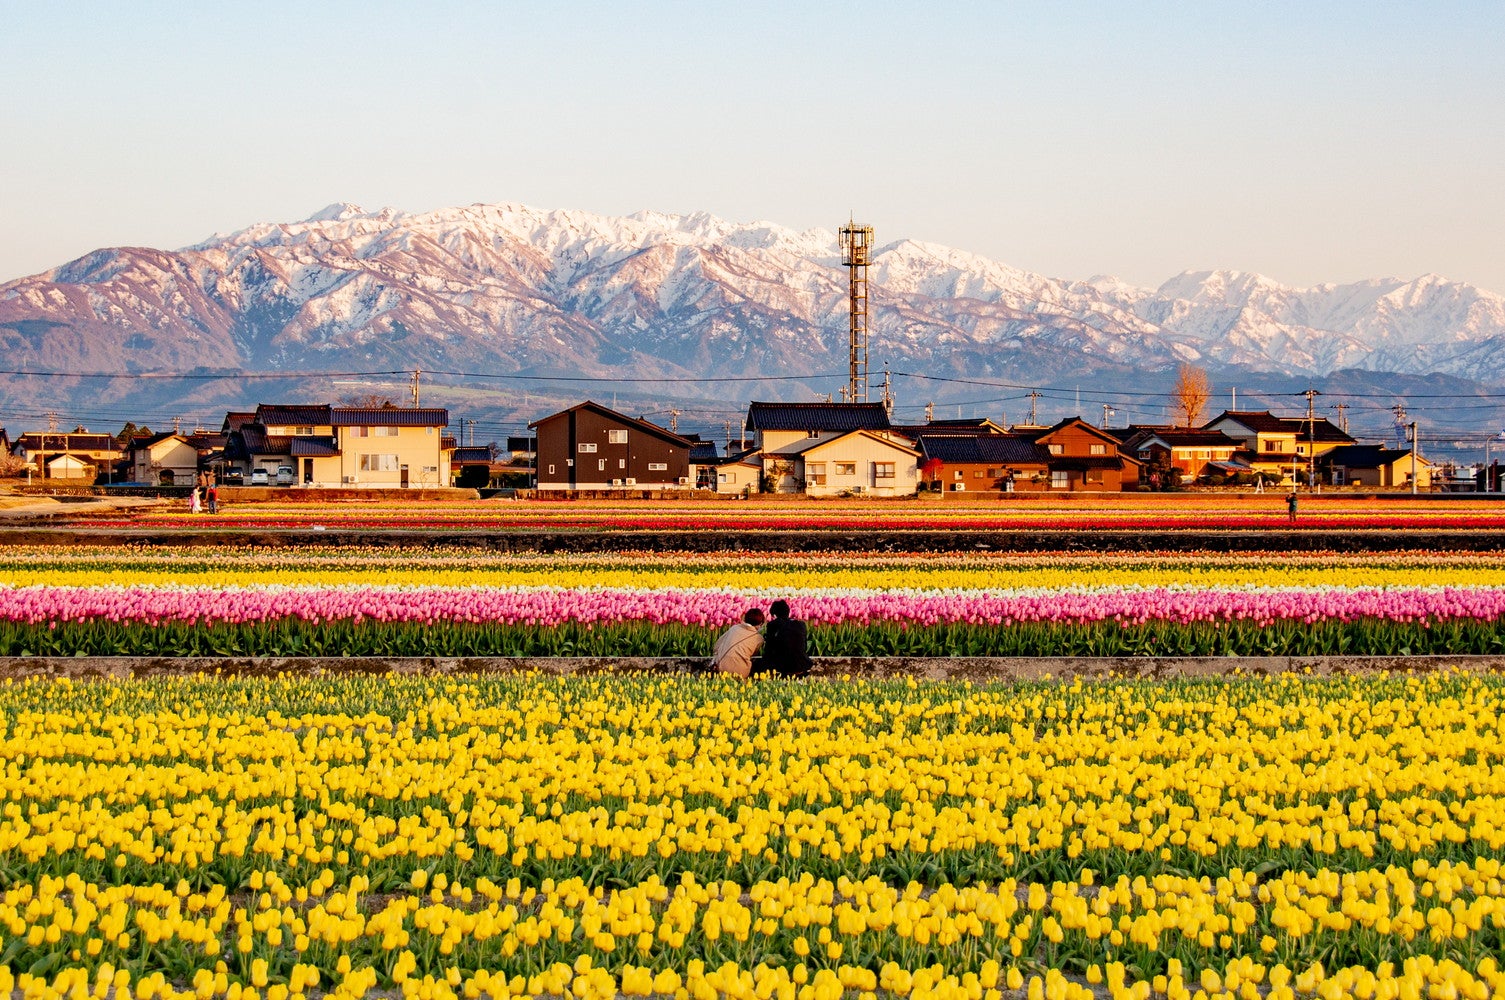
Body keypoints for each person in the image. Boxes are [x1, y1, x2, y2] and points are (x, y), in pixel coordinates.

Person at [758, 599, 812, 678]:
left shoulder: (772, 625)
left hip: (782, 668)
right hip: (802, 666)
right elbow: (804, 646)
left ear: (774, 615)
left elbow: (769, 649)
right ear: (788, 612)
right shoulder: (801, 625)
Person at [710, 608, 765, 679]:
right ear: (760, 624)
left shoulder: (734, 628)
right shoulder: (759, 638)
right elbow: (754, 653)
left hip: (720, 668)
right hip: (740, 671)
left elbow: (717, 645)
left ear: (745, 619)